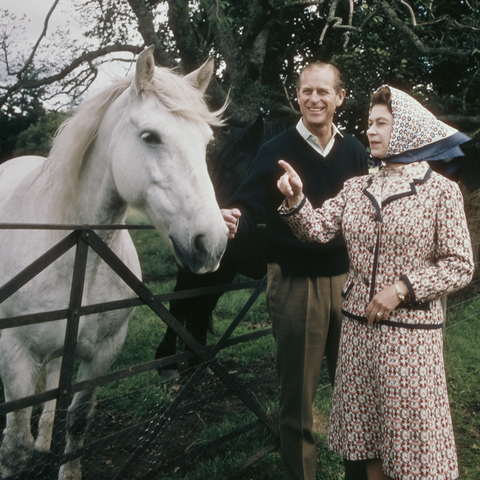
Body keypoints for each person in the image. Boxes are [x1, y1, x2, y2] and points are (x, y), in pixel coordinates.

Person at [276, 85, 474, 480]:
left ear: (408, 130)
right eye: (369, 123)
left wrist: (401, 288)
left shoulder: (440, 192)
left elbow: (460, 265)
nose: (371, 131)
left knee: (412, 446)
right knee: (365, 445)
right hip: (357, 336)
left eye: (382, 123)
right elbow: (315, 230)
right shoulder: (356, 187)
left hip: (410, 343)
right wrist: (296, 199)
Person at [222, 62, 369, 480]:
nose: (314, 99)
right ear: (298, 96)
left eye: (323, 92)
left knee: (353, 397)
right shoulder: (275, 151)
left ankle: (357, 474)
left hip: (349, 286)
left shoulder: (356, 151)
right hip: (295, 286)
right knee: (297, 403)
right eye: (306, 91)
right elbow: (247, 204)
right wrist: (234, 216)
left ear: (340, 98)